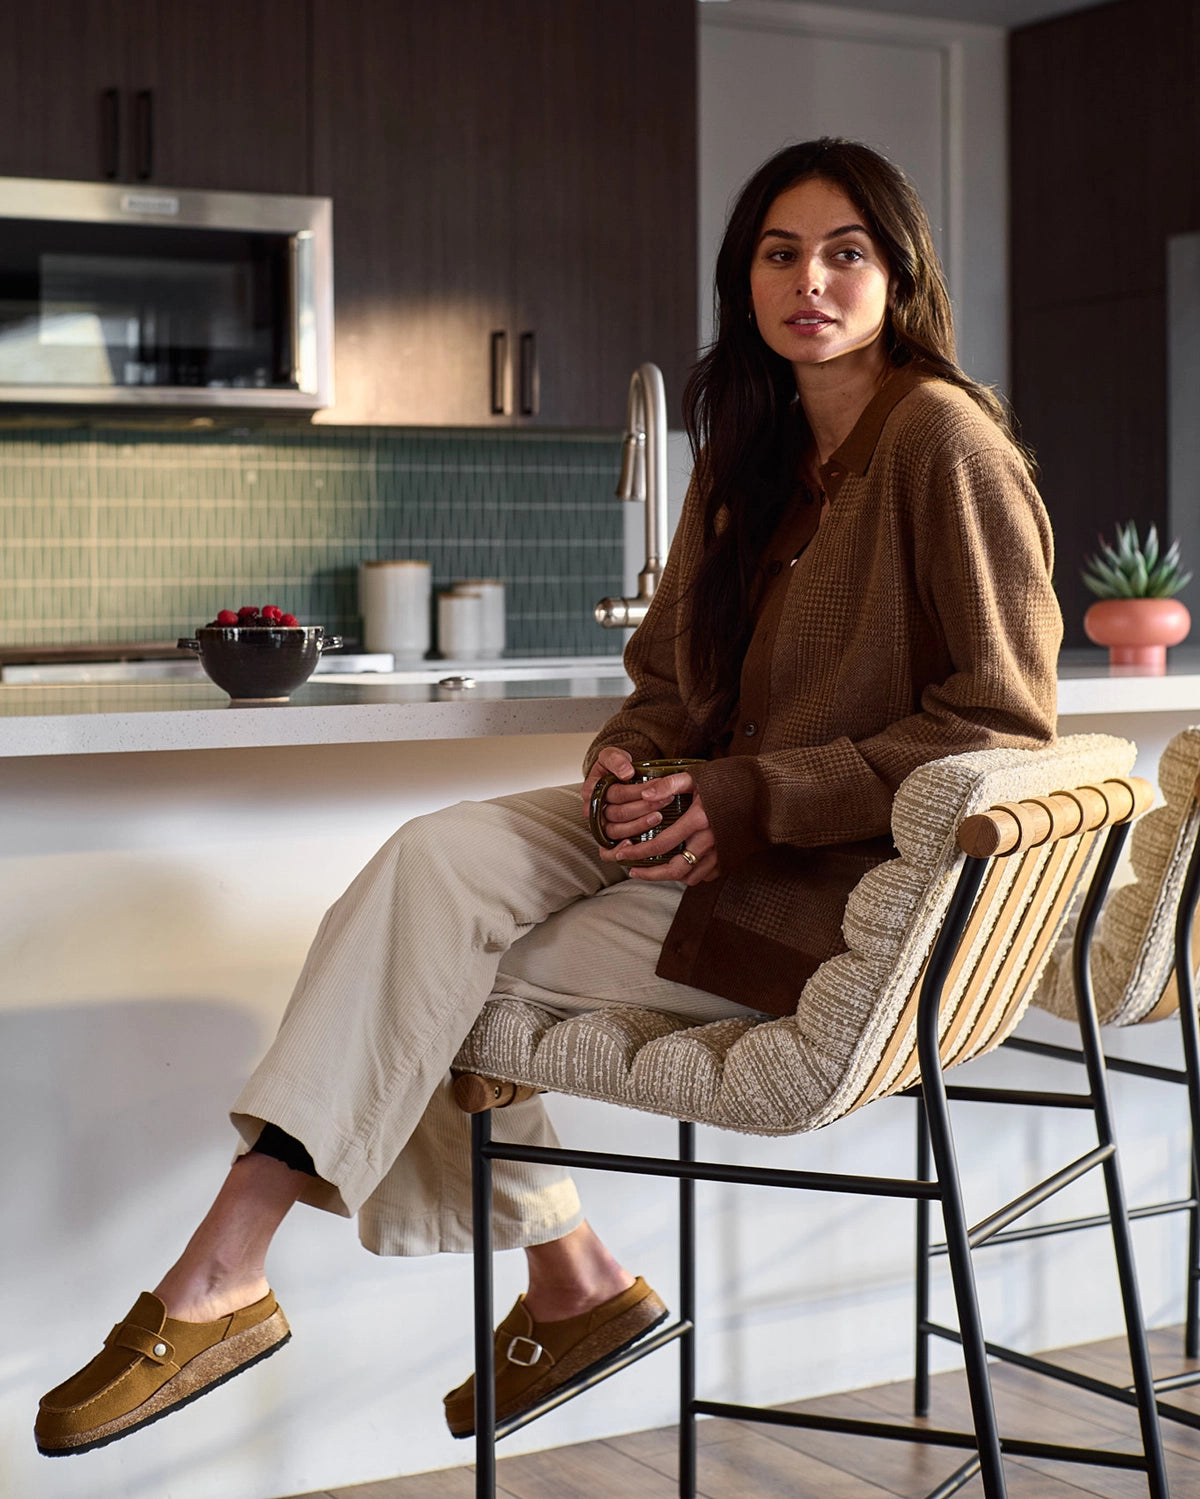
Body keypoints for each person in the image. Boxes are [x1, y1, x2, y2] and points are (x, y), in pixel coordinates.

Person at [35, 137, 1062, 1457]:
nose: (812, 279)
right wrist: (631, 755)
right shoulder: (750, 447)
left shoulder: (943, 442)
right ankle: (563, 1285)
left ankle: (234, 1265)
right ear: (742, 277)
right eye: (780, 251)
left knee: (440, 974)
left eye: (847, 251)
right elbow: (667, 683)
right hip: (701, 821)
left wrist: (754, 801)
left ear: (899, 273)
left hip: (822, 889)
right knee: (433, 865)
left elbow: (998, 727)